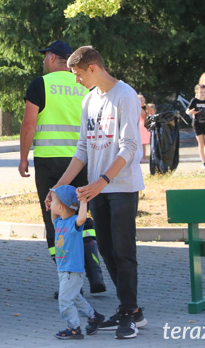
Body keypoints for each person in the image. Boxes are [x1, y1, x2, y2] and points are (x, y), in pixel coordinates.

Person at [48, 46, 146, 339]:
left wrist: (103, 180)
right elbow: (82, 149)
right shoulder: (88, 100)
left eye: (77, 74)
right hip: (96, 189)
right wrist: (58, 187)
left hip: (121, 186)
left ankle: (129, 312)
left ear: (93, 68)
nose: (75, 80)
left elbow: (130, 147)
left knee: (124, 251)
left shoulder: (125, 96)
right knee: (105, 249)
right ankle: (132, 310)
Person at [18, 40, 105, 294]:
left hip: (50, 163)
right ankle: (95, 272)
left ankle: (70, 281)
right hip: (83, 161)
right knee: (83, 213)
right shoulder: (85, 84)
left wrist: (23, 158)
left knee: (55, 219)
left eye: (45, 56)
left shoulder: (40, 84)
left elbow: (28, 125)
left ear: (54, 58)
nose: (43, 61)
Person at [49, 185, 105, 340]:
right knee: (75, 298)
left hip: (72, 270)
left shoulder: (74, 223)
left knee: (65, 300)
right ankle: (94, 316)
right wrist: (51, 201)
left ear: (60, 207)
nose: (50, 206)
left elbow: (81, 218)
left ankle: (74, 328)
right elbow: (53, 216)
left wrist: (83, 201)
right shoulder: (59, 222)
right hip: (64, 270)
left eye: (52, 202)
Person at [186, 84, 205, 169]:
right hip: (197, 124)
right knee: (201, 143)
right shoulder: (194, 100)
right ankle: (204, 162)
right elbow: (187, 111)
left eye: (204, 92)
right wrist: (190, 112)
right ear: (197, 92)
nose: (202, 94)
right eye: (201, 92)